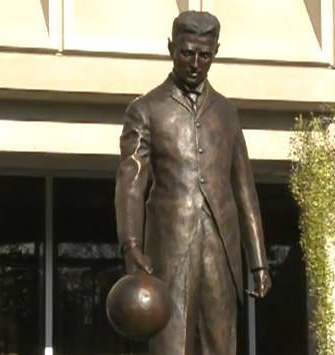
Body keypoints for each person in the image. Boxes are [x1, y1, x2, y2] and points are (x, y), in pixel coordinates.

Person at [115, 10, 271, 355]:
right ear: (171, 48)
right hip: (169, 249)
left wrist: (258, 260)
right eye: (187, 52)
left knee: (220, 342)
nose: (196, 63)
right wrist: (131, 245)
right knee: (172, 342)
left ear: (216, 52)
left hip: (221, 248)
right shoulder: (145, 109)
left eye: (205, 55)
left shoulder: (228, 113)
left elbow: (245, 190)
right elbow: (131, 183)